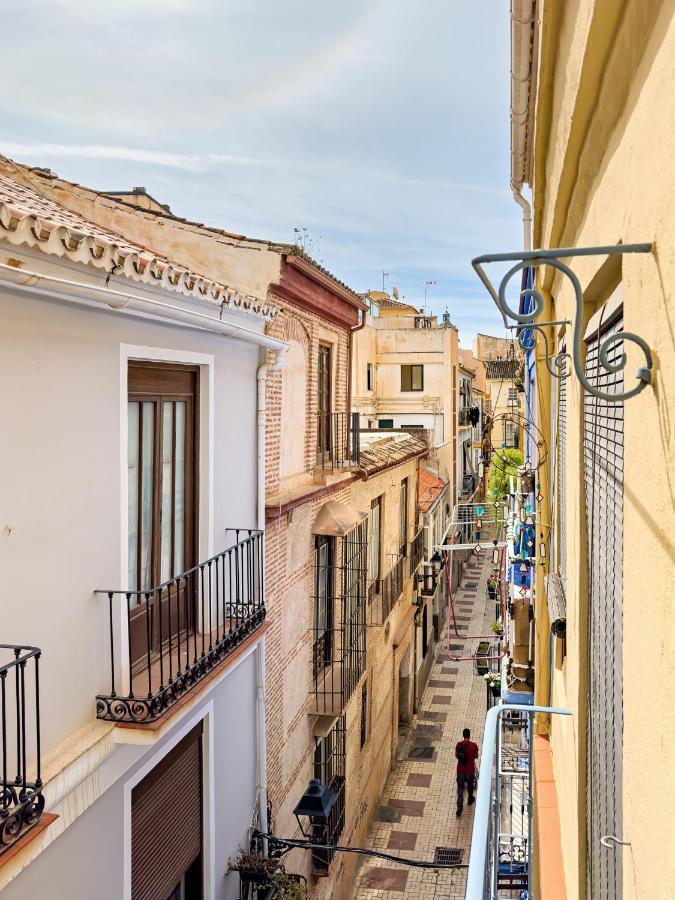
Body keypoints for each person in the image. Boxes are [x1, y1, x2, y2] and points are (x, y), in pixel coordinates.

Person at [455, 727, 479, 816]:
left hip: (460, 770)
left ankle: (459, 808)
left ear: (463, 735)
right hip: (469, 770)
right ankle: (470, 799)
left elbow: (456, 755)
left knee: (460, 788)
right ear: (469, 736)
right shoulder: (473, 745)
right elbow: (476, 756)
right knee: (470, 785)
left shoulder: (459, 745)